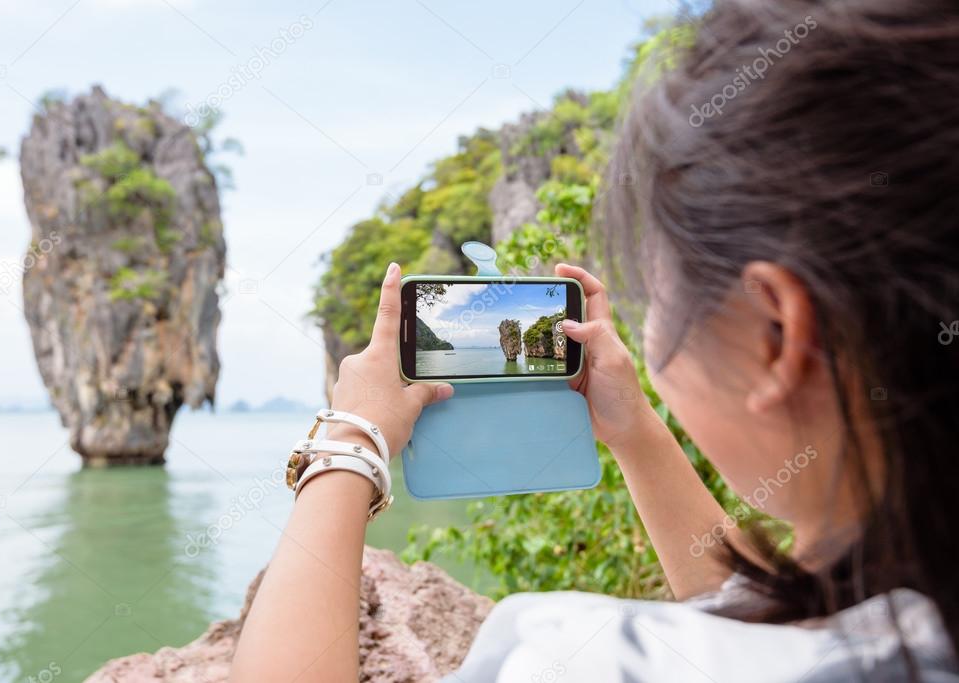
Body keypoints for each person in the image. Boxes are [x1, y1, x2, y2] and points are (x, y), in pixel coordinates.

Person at [231, 0, 958, 679]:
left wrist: (349, 441)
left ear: (775, 335)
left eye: (655, 295)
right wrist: (633, 430)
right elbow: (763, 622)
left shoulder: (568, 655)